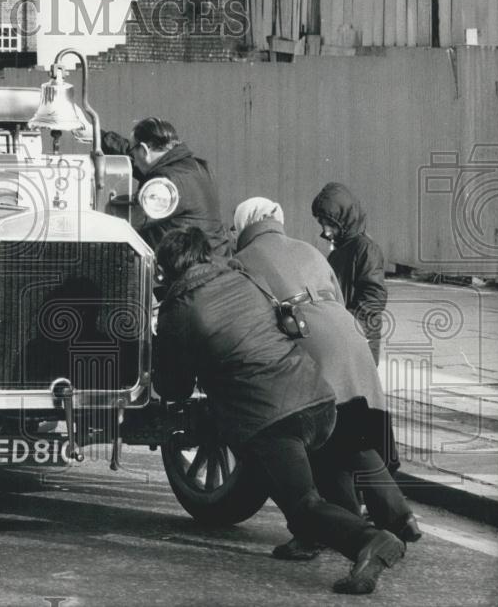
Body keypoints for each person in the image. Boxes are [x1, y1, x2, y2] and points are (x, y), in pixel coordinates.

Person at [154, 227, 406, 595]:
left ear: (167, 270)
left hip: (270, 417)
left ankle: (368, 542)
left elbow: (172, 388)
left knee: (302, 507)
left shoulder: (177, 308)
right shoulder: (242, 280)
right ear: (204, 256)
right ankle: (350, 544)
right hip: (316, 396)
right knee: (325, 466)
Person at [231, 197, 421, 560]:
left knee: (313, 445)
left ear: (244, 225)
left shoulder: (243, 261)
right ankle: (399, 517)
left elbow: (249, 320)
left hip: (310, 346)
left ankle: (324, 535)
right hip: (349, 337)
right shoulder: (307, 249)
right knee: (351, 438)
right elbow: (334, 290)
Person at [101, 117, 229, 256]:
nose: (134, 163)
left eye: (133, 154)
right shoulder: (197, 167)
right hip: (215, 259)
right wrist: (97, 135)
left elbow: (130, 219)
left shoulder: (166, 181)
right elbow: (134, 157)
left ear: (145, 150)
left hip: (191, 269)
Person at [311, 183, 388, 365]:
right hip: (346, 333)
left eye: (331, 225)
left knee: (360, 388)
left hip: (360, 336)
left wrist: (348, 325)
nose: (326, 231)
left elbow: (374, 296)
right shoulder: (338, 252)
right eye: (322, 224)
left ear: (345, 220)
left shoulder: (366, 248)